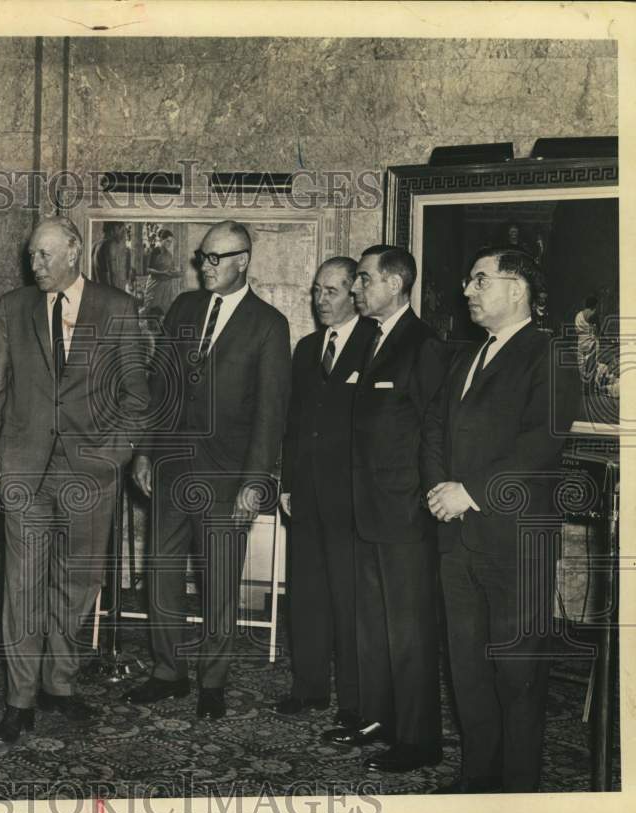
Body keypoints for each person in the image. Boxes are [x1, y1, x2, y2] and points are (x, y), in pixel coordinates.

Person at [0, 216, 149, 744]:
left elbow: (137, 398)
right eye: (32, 256)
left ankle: (60, 685)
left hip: (90, 475)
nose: (36, 266)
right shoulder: (11, 309)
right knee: (22, 588)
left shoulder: (117, 309)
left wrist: (112, 458)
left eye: (46, 256)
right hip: (23, 471)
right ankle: (19, 700)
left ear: (75, 252)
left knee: (75, 587)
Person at [424, 249, 577, 793]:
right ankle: (477, 779)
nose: (468, 289)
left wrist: (472, 492)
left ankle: (517, 791)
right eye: (468, 280)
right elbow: (435, 430)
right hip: (458, 538)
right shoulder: (466, 358)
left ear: (518, 291)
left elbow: (540, 442)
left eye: (481, 280)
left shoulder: (551, 354)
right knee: (466, 667)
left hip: (517, 541)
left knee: (517, 675)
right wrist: (441, 489)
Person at [126, 221, 291, 720]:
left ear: (244, 260)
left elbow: (270, 414)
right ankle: (167, 672)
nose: (205, 266)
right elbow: (162, 389)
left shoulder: (268, 324)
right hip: (172, 467)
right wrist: (144, 452)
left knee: (220, 583)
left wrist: (254, 484)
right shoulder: (183, 308)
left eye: (216, 258)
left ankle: (213, 682)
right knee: (161, 573)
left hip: (227, 478)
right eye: (202, 257)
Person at [321, 244, 450, 773]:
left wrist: (424, 502)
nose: (356, 289)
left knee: (409, 632)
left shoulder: (423, 345)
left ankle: (419, 740)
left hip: (402, 514)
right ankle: (378, 718)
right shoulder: (375, 339)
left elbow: (433, 433)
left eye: (364, 280)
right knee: (372, 625)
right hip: (366, 509)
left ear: (395, 285)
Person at [273, 256, 377, 729]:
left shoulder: (374, 344)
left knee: (349, 599)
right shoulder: (307, 348)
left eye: (331, 291)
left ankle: (354, 701)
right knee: (307, 594)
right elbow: (294, 424)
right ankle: (308, 688)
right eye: (316, 290)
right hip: (307, 496)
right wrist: (288, 484)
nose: (320, 300)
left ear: (355, 292)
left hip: (352, 498)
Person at [92, 222, 129, 292]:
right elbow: (113, 277)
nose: (123, 234)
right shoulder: (111, 245)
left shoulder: (95, 245)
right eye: (122, 230)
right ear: (115, 228)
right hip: (108, 297)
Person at [575, 294, 599, 383]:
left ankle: (583, 383)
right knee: (591, 364)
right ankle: (589, 386)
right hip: (590, 342)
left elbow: (577, 330)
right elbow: (598, 329)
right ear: (594, 305)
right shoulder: (593, 314)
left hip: (581, 342)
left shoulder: (578, 315)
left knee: (582, 363)